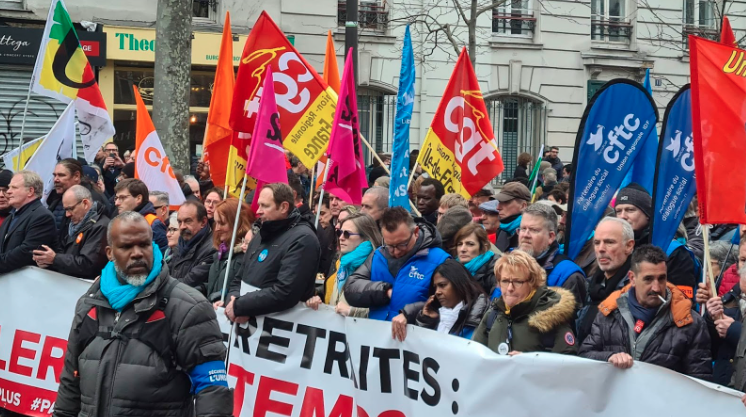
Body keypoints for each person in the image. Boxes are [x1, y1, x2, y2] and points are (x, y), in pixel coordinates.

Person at [53, 212, 233, 417]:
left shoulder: (188, 307)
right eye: (127, 247)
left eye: (144, 245)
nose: (137, 253)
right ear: (110, 253)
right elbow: (70, 381)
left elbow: (213, 390)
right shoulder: (89, 304)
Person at [578, 245, 712, 380]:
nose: (656, 287)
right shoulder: (609, 313)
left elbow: (700, 380)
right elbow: (585, 355)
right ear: (632, 278)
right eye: (648, 279)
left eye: (661, 278)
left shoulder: (689, 322)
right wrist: (609, 357)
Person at [226, 183, 320, 321]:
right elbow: (239, 279)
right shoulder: (261, 234)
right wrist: (232, 301)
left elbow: (286, 292)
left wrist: (241, 306)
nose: (258, 211)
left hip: (279, 331)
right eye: (259, 205)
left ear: (283, 207)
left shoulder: (303, 239)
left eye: (265, 206)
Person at [344, 207, 450, 321]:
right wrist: (384, 291)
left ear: (416, 232)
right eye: (390, 245)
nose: (396, 251)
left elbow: (448, 304)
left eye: (402, 244)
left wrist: (410, 314)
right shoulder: (379, 255)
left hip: (415, 335)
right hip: (377, 335)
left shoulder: (439, 260)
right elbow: (351, 288)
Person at [472, 250, 578, 355]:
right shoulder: (492, 315)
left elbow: (568, 364)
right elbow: (474, 357)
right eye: (504, 281)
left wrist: (529, 363)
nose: (510, 288)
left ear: (532, 283)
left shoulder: (551, 315)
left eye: (518, 282)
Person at [615, 183, 698, 299]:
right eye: (618, 211)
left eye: (630, 210)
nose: (622, 216)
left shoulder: (673, 251)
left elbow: (681, 301)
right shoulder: (617, 248)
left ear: (648, 215)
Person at [306, 213, 382, 317]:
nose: (341, 238)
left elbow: (384, 310)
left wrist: (352, 311)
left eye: (347, 234)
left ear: (365, 238)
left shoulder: (377, 266)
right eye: (339, 233)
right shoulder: (342, 262)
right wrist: (318, 298)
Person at [393, 259, 489, 340]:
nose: (437, 292)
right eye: (435, 287)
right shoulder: (434, 315)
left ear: (459, 284)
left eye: (442, 285)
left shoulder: (485, 315)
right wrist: (426, 321)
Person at [516, 203, 587, 314]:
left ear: (551, 237)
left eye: (534, 230)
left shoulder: (569, 276)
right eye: (523, 229)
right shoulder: (509, 265)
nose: (525, 235)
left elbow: (567, 326)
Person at [576, 217, 635, 342]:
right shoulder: (589, 285)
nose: (601, 249)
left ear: (629, 246)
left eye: (609, 242)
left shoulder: (638, 290)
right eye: (597, 243)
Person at [32, 185, 109, 279]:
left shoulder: (101, 226)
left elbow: (87, 265)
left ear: (85, 203)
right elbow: (64, 254)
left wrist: (54, 259)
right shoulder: (76, 224)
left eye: (70, 209)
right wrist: (48, 261)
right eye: (65, 210)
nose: (67, 214)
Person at [0, 171, 58, 274]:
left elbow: (27, 252)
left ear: (30, 191)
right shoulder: (10, 217)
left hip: (26, 285)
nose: (8, 192)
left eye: (14, 187)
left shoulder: (42, 217)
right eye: (9, 187)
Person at [206, 199, 254, 303]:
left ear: (237, 223)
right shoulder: (220, 253)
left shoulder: (244, 256)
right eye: (216, 223)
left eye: (222, 223)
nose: (217, 229)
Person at [47, 158, 111, 233]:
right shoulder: (57, 196)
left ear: (76, 176)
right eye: (55, 175)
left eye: (61, 175)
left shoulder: (92, 199)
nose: (56, 179)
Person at [168, 201, 216, 292]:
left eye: (188, 221)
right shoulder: (181, 243)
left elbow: (189, 282)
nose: (182, 227)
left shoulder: (212, 248)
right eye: (179, 222)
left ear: (203, 222)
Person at [114, 179, 168, 253]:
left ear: (138, 198)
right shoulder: (120, 222)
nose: (117, 203)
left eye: (122, 198)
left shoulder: (153, 224)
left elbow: (161, 258)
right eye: (116, 198)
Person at [479, 182, 530, 252]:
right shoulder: (502, 230)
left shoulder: (530, 233)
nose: (498, 207)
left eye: (506, 202)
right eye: (499, 202)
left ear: (523, 206)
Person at [452, 223, 499, 294]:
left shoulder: (496, 269)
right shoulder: (453, 269)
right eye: (460, 244)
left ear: (484, 247)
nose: (462, 249)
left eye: (470, 244)